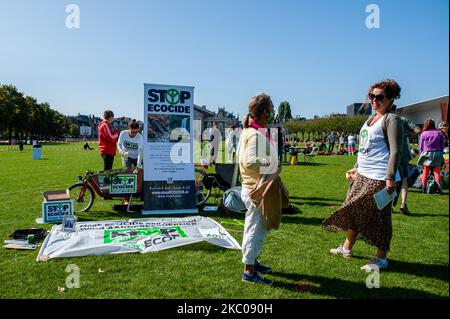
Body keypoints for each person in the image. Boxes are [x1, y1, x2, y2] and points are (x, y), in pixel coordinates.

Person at [322, 79, 404, 271]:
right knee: (354, 211)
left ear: (391, 99)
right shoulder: (370, 119)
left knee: (380, 217)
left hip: (381, 177)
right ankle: (346, 248)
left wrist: (390, 177)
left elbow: (395, 151)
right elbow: (365, 148)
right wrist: (356, 167)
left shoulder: (392, 119)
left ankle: (381, 258)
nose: (375, 100)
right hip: (363, 175)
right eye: (372, 96)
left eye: (380, 97)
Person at [238, 93, 281, 286]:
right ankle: (249, 272)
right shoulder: (255, 134)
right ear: (264, 112)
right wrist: (271, 163)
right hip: (256, 190)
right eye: (271, 107)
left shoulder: (252, 130)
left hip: (253, 187)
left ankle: (252, 262)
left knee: (254, 229)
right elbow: (249, 161)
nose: (273, 110)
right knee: (255, 230)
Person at [392, 107, 421, 215]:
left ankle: (389, 205)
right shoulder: (402, 119)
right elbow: (418, 130)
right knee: (404, 180)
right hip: (403, 153)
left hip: (389, 154)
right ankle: (403, 203)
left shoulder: (384, 119)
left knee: (390, 179)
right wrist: (407, 135)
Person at [417, 118, 445, 194]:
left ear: (426, 125)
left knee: (425, 171)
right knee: (437, 172)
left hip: (427, 153)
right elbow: (442, 145)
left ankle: (423, 188)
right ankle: (439, 189)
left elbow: (421, 146)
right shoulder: (439, 133)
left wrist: (421, 154)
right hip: (438, 153)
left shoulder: (423, 134)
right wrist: (441, 153)